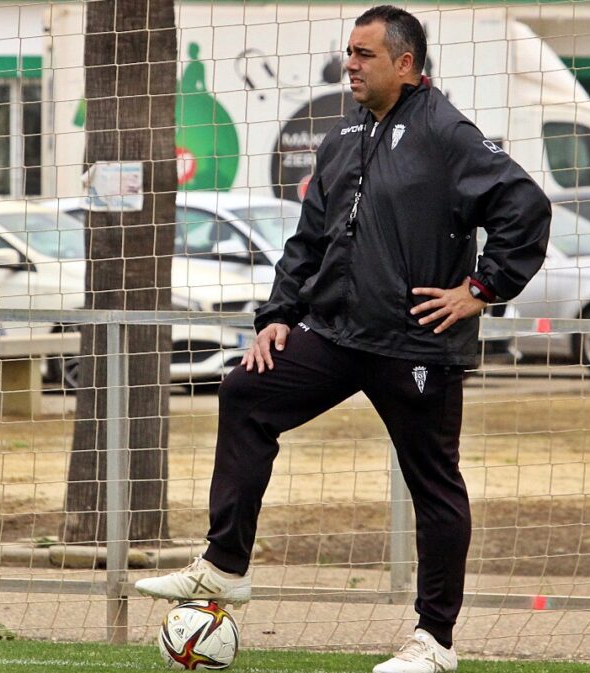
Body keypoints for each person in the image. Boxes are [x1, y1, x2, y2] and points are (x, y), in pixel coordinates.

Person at [136, 6, 551, 672]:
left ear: (405, 64)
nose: (349, 64)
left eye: (364, 54)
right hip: (335, 334)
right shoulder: (342, 136)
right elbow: (308, 241)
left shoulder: (447, 134)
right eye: (348, 53)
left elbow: (525, 207)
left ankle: (434, 642)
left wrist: (479, 290)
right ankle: (223, 564)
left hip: (417, 345)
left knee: (434, 485)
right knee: (247, 390)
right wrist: (278, 314)